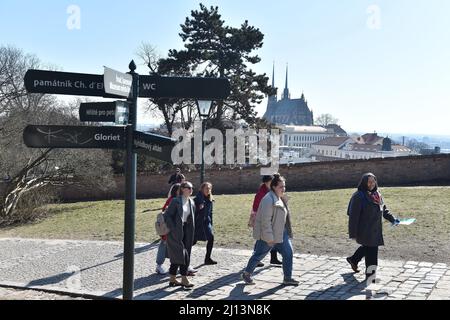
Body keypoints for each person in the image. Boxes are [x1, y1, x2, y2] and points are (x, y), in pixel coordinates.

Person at [241, 174, 299, 286]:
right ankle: (247, 273)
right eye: (281, 187)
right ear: (274, 187)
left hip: (282, 233)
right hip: (270, 235)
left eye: (284, 186)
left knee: (288, 253)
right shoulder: (268, 199)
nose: (283, 189)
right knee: (259, 255)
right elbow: (265, 221)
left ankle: (287, 278)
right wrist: (269, 238)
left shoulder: (280, 198)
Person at [346, 173, 400, 283]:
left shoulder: (377, 195)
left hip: (375, 229)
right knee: (372, 254)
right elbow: (353, 217)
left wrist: (393, 219)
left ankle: (353, 259)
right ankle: (370, 277)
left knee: (367, 248)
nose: (371, 184)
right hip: (364, 230)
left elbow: (384, 210)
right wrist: (353, 233)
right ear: (364, 182)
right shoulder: (359, 196)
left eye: (373, 181)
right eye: (369, 182)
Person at [164, 181, 197, 288]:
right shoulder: (175, 201)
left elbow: (192, 218)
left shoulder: (191, 202)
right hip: (175, 232)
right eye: (189, 187)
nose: (191, 189)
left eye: (192, 188)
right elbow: (167, 216)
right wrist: (173, 228)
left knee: (178, 256)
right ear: (182, 189)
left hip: (187, 231)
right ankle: (184, 279)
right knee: (183, 255)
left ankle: (172, 279)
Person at [249, 175, 282, 267]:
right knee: (260, 239)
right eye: (271, 182)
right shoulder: (261, 193)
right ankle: (255, 258)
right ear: (266, 182)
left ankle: (273, 258)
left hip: (271, 218)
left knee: (273, 237)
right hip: (262, 220)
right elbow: (256, 208)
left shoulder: (271, 191)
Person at [155, 183, 181, 275]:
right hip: (168, 228)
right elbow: (166, 212)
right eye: (180, 189)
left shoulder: (180, 199)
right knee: (163, 245)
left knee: (172, 247)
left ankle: (175, 264)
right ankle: (159, 265)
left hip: (175, 228)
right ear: (175, 191)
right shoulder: (172, 200)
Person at [193, 182, 217, 265]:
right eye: (207, 188)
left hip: (206, 223)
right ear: (202, 189)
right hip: (197, 224)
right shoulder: (197, 199)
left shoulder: (210, 199)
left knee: (211, 238)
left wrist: (211, 223)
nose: (208, 190)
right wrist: (198, 208)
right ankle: (180, 257)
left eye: (210, 188)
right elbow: (192, 213)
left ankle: (207, 258)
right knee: (192, 242)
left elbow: (210, 213)